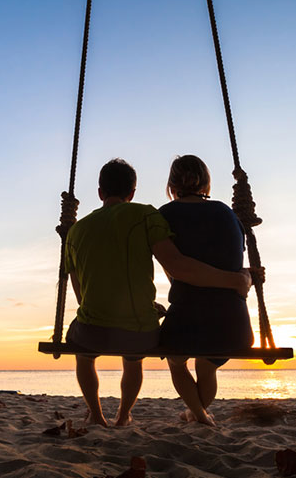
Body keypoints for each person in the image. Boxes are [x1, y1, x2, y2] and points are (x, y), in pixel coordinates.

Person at [64, 158, 252, 427]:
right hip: (146, 334)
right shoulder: (147, 216)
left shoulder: (76, 230)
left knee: (83, 354)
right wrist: (239, 279)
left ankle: (95, 414)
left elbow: (81, 294)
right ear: (132, 193)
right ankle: (124, 415)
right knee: (136, 357)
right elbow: (177, 264)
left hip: (96, 329)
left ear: (100, 193)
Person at [158, 154, 256, 426]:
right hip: (233, 327)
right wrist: (241, 278)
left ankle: (199, 414)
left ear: (172, 185)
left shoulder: (163, 216)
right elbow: (229, 262)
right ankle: (198, 413)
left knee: (176, 362)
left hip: (186, 322)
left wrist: (238, 278)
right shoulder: (227, 213)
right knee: (206, 365)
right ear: (206, 183)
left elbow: (181, 270)